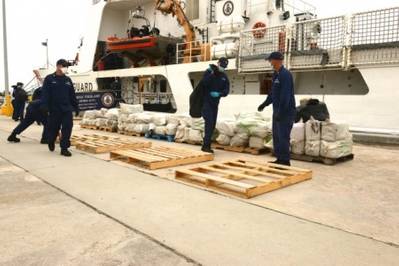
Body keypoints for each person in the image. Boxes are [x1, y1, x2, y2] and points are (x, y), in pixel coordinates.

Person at [258, 52, 296, 166]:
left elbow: (286, 96)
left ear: (277, 60)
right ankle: (279, 158)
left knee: (283, 136)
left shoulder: (286, 75)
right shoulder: (276, 74)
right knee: (277, 136)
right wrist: (265, 103)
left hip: (286, 112)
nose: (270, 62)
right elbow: (273, 93)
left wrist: (281, 112)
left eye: (271, 60)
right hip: (277, 111)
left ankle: (285, 161)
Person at [41, 59, 79, 157]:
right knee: (53, 128)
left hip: (66, 109)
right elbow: (45, 94)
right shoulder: (49, 79)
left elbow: (72, 95)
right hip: (54, 109)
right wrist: (44, 106)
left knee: (67, 128)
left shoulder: (68, 80)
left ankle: (64, 148)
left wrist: (76, 106)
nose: (65, 69)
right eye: (64, 66)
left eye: (66, 67)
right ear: (58, 66)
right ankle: (51, 140)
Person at [201, 57, 230, 153]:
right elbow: (204, 83)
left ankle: (206, 145)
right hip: (206, 103)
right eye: (221, 66)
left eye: (224, 67)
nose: (222, 68)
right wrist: (212, 73)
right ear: (218, 63)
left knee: (212, 125)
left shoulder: (224, 77)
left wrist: (219, 94)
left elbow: (226, 90)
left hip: (215, 104)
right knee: (209, 123)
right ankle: (206, 146)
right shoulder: (209, 72)